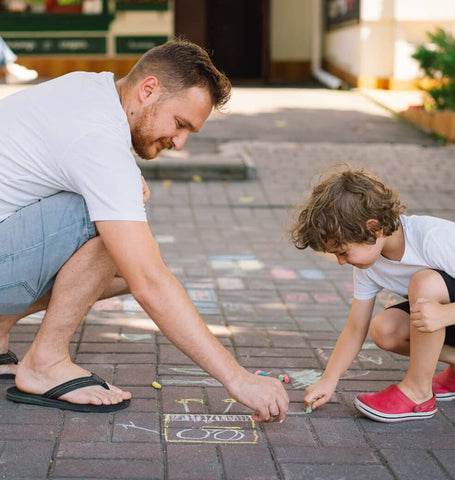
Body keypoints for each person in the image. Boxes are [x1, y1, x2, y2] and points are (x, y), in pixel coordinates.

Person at [0, 38, 289, 421]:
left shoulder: (90, 89)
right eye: (180, 123)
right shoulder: (98, 137)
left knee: (120, 258)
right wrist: (237, 379)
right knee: (113, 228)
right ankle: (44, 363)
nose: (180, 142)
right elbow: (150, 281)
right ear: (148, 89)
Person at [289, 166, 455, 423]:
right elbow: (356, 328)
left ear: (374, 228)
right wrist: (328, 380)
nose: (341, 262)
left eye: (343, 252)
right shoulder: (370, 265)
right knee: (384, 329)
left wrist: (446, 314)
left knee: (425, 284)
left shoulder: (432, 238)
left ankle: (418, 394)